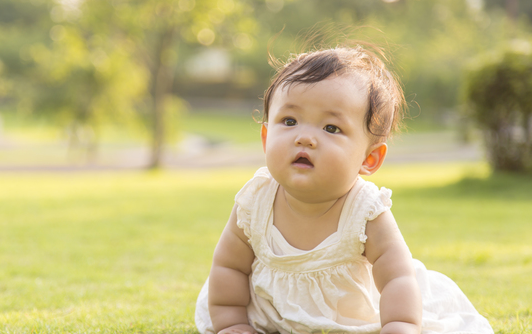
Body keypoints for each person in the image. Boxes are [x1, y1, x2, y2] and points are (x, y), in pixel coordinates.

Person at [194, 46, 493, 334]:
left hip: (352, 314)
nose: (305, 138)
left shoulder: (365, 210)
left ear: (369, 158)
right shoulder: (255, 201)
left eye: (331, 128)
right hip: (272, 310)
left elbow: (396, 278)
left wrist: (399, 325)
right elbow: (228, 267)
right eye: (289, 121)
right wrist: (233, 322)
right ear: (265, 136)